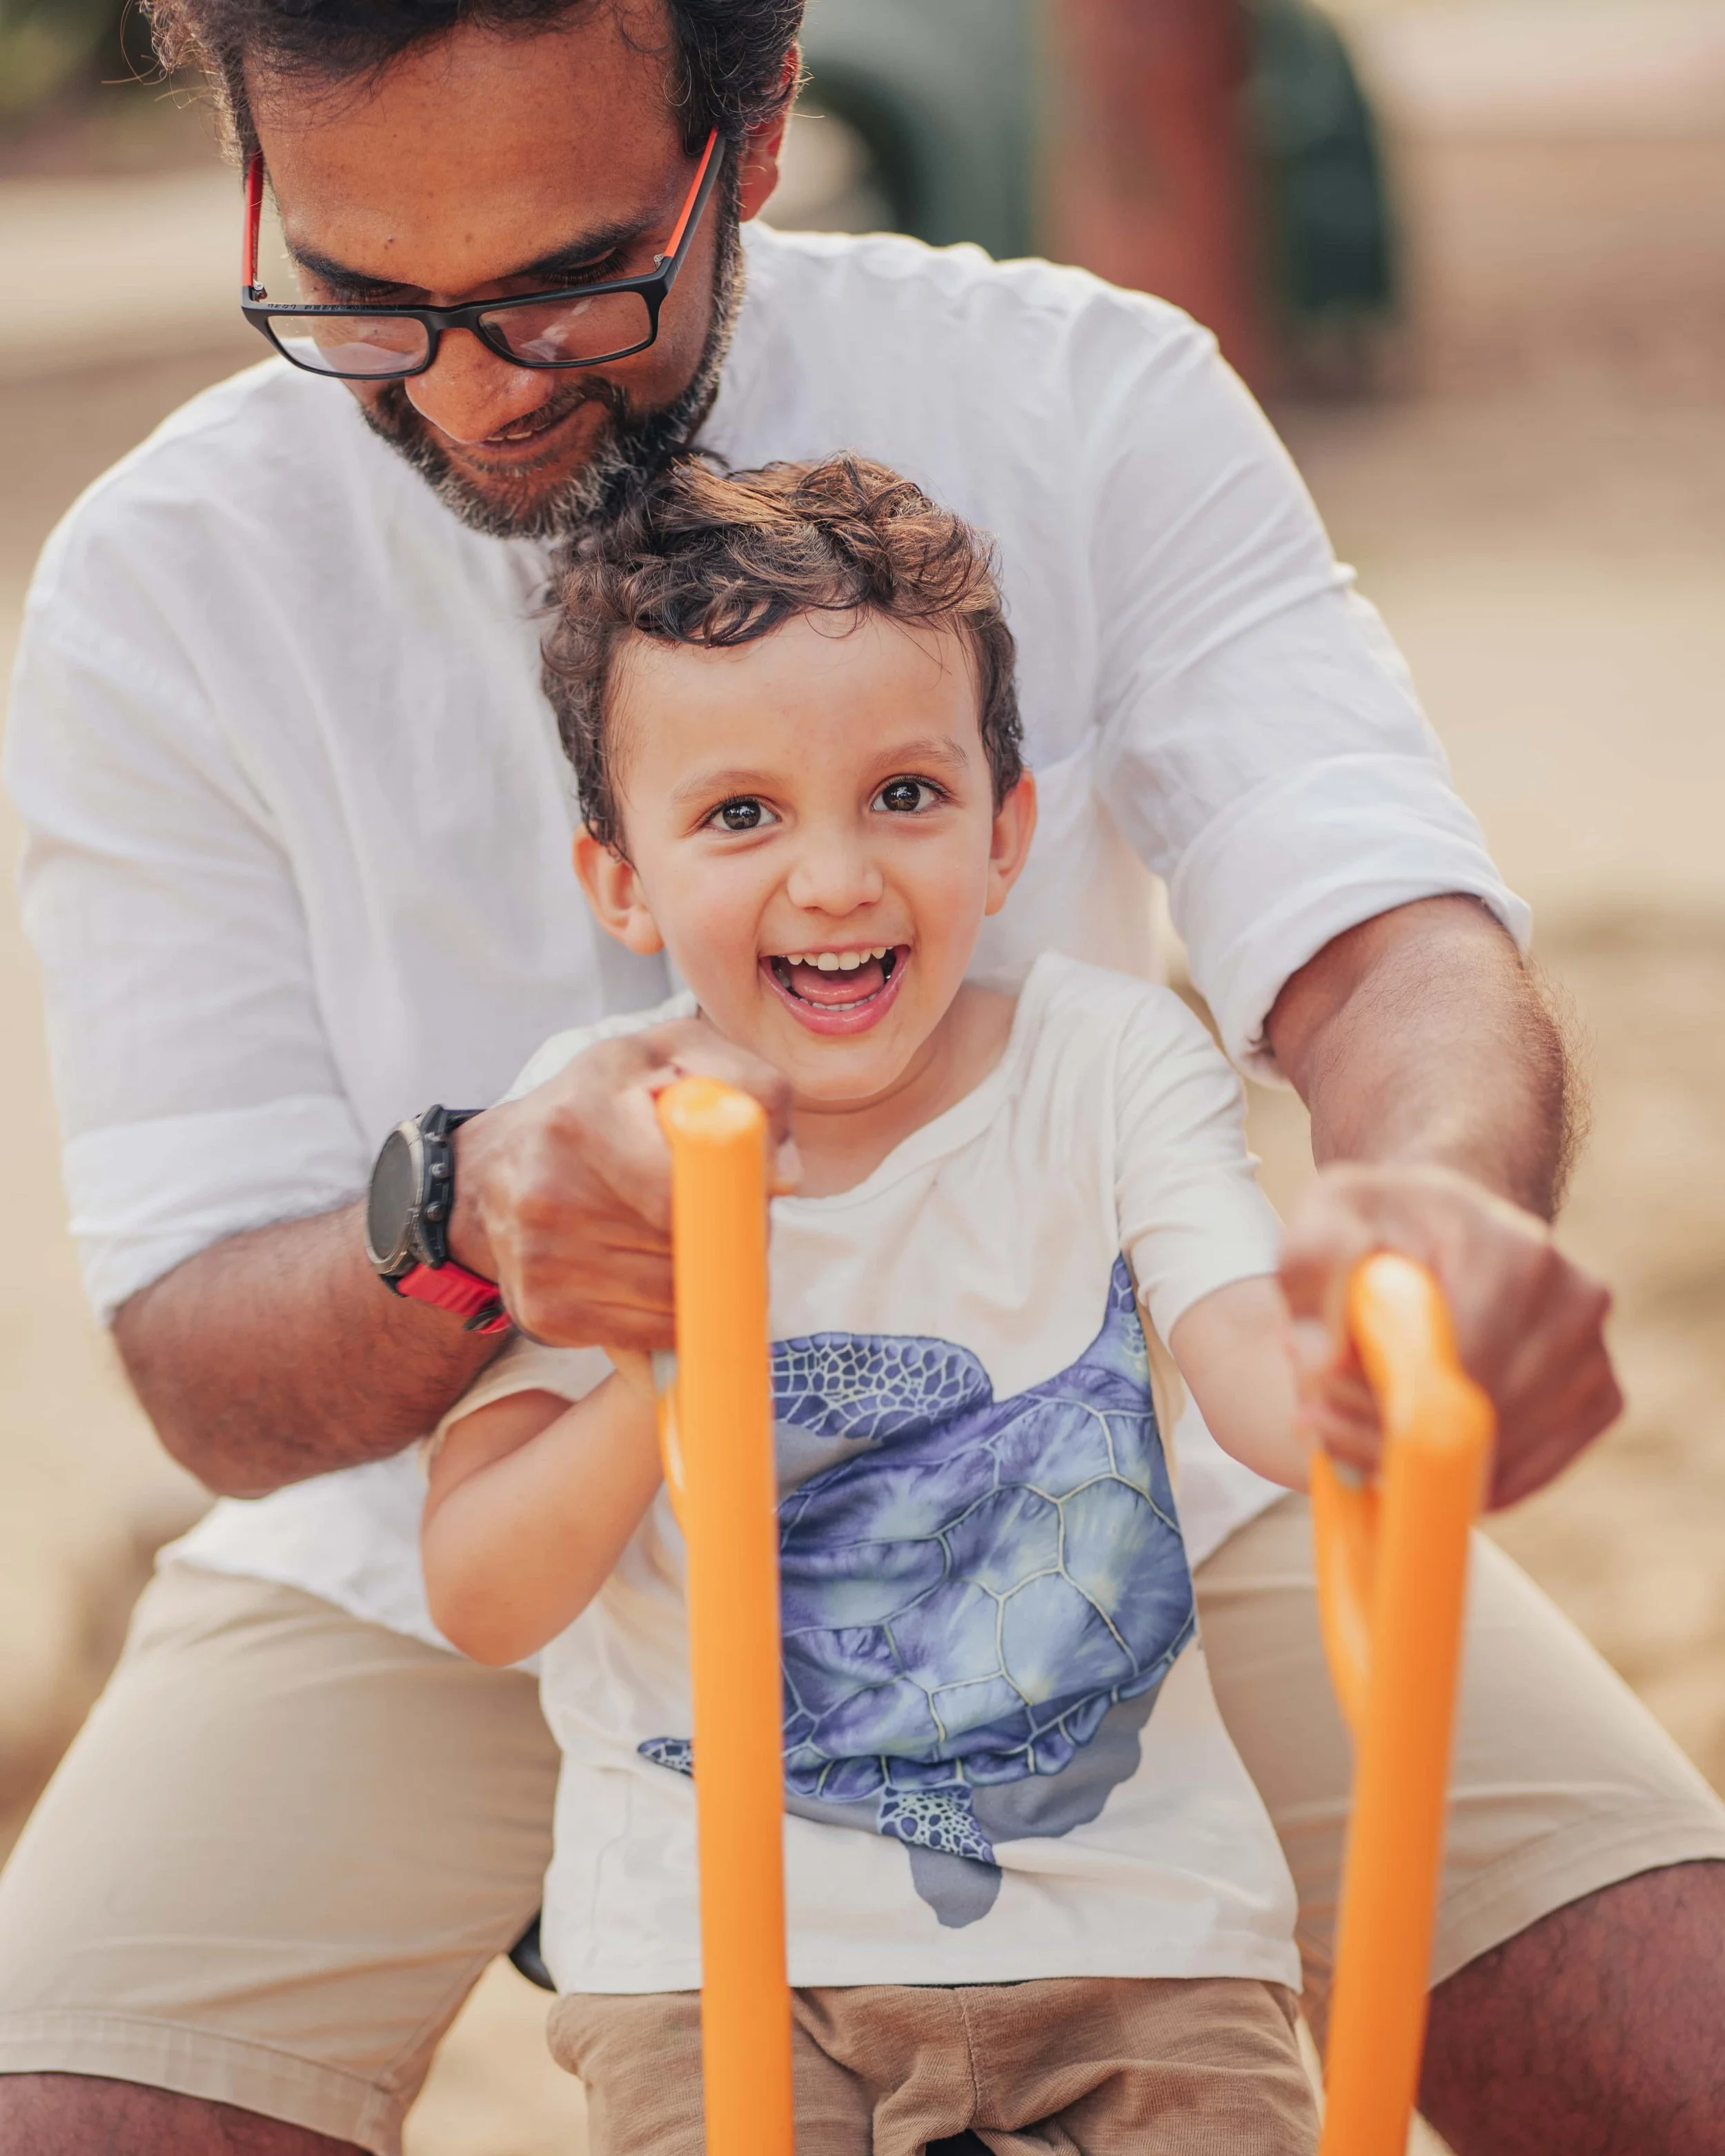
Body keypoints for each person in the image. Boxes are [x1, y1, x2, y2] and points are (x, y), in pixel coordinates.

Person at [0, 3, 1719, 2153]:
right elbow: (201, 1365)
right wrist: (471, 1220)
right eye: (359, 295)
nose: (469, 385)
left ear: (756, 132)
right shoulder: (157, 586)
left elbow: (1375, 924)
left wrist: (1436, 1202)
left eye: (567, 287)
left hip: (1093, 1461)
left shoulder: (1084, 395)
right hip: (458, 1545)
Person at [422, 450, 1323, 2156]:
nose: (833, 877)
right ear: (619, 878)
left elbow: (1258, 1371)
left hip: (1138, 1929)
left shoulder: (1105, 1061)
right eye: (738, 815)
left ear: (1005, 831)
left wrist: (1371, 1352)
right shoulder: (589, 1122)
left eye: (903, 794)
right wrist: (662, 1365)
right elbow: (481, 1589)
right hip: (718, 1955)